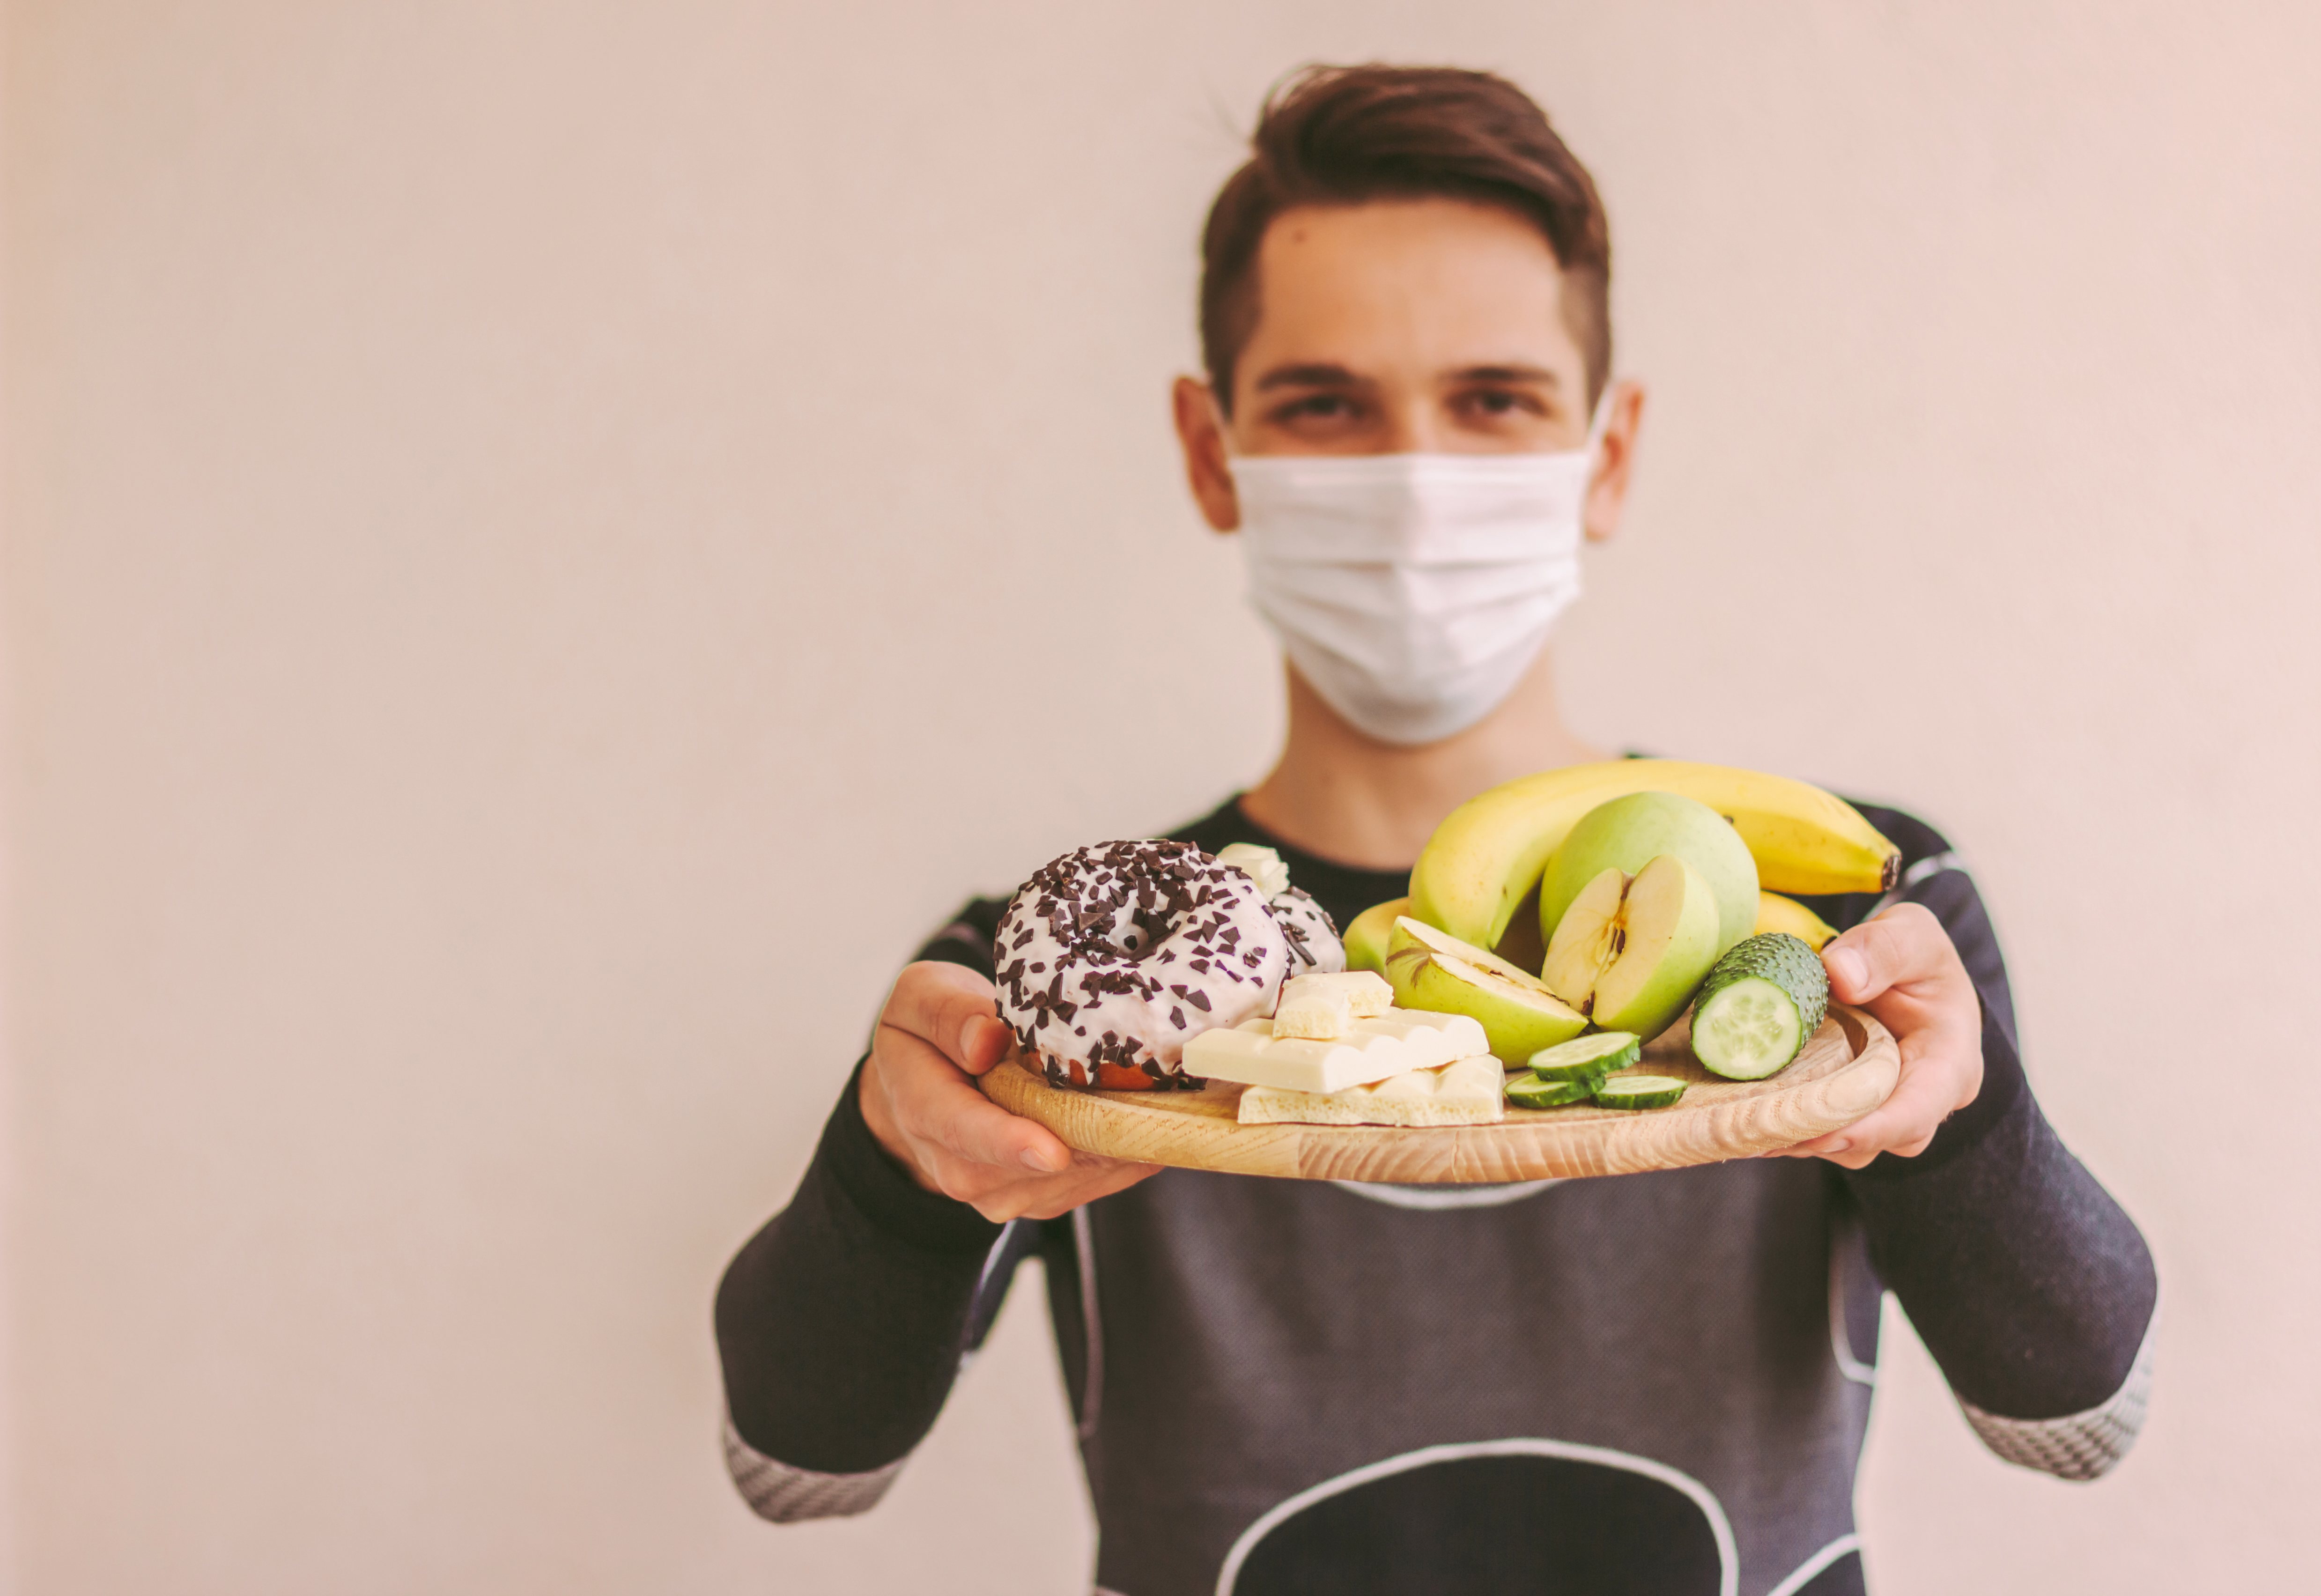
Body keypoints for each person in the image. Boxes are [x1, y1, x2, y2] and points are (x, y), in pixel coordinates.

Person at [713, 64, 2156, 1596]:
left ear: (1604, 457)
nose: (1414, 483)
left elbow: (2076, 1424)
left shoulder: (1848, 924)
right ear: (1214, 455)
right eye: (1324, 404)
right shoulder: (1056, 982)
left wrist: (1961, 1121)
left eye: (1493, 400)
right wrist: (887, 1173)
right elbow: (795, 1474)